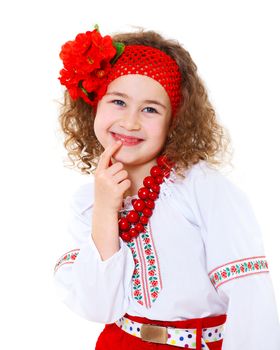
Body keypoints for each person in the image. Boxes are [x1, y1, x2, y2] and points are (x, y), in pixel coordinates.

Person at [53, 25, 280, 349]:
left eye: (150, 109)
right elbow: (98, 307)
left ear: (174, 121)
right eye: (118, 101)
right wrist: (104, 210)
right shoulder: (87, 202)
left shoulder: (202, 188)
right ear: (94, 106)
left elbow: (250, 299)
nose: (130, 122)